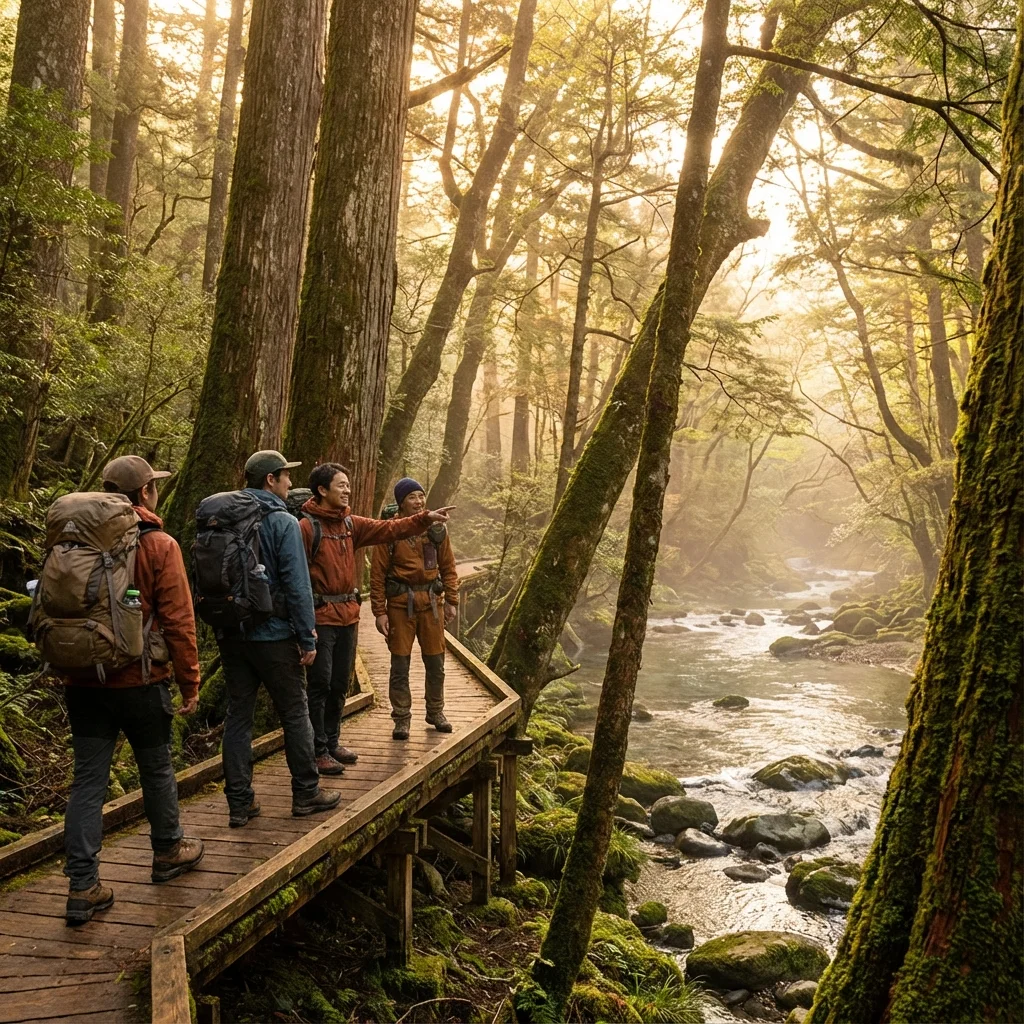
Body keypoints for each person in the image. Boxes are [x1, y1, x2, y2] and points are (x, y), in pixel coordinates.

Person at [62, 456, 204, 925]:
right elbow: (180, 622)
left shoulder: (72, 540)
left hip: (82, 680)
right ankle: (167, 852)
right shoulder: (159, 544)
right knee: (157, 768)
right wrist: (190, 682)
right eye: (154, 487)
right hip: (141, 681)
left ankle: (83, 886)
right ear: (145, 494)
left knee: (88, 781)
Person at [299, 464, 455, 774]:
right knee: (321, 686)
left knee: (340, 683)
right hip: (326, 616)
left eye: (348, 485)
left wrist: (426, 519)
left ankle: (331, 743)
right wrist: (380, 611)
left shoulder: (350, 525)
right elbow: (295, 577)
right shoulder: (306, 527)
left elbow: (394, 531)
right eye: (341, 485)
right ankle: (319, 749)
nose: (347, 490)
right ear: (322, 490)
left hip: (352, 615)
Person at [215, 451, 340, 826]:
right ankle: (306, 793)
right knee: (295, 712)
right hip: (275, 635)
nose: (289, 483)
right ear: (270, 480)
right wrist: (308, 637)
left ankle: (240, 804)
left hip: (232, 633)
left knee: (238, 716)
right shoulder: (282, 521)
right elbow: (298, 586)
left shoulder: (222, 520)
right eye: (285, 476)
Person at [370, 478, 460, 740]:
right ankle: (401, 717)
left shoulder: (436, 529)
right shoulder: (389, 531)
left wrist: (452, 601)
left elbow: (449, 567)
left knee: (436, 662)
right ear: (401, 502)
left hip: (432, 604)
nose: (418, 501)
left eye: (421, 496)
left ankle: (435, 711)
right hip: (400, 605)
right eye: (412, 497)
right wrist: (379, 612)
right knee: (400, 664)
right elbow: (377, 575)